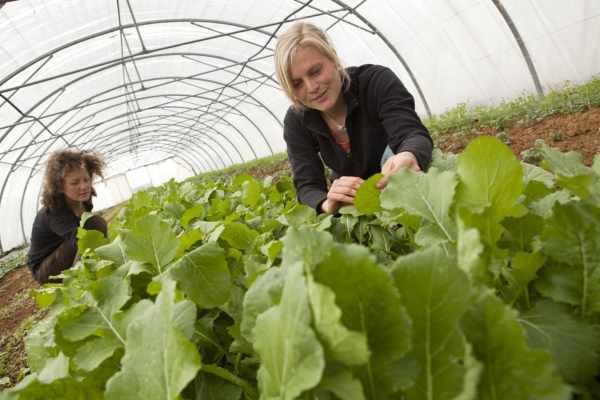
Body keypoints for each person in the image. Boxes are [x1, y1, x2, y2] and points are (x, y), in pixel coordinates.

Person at [274, 22, 433, 215]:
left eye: (315, 71)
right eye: (297, 83)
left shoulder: (375, 82)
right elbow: (307, 186)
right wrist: (328, 204)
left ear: (332, 57)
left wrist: (408, 155)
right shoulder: (297, 120)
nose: (311, 87)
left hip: (397, 185)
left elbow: (411, 133)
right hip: (353, 205)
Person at [26, 149, 108, 285]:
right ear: (59, 187)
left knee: (94, 224)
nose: (84, 186)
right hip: (46, 270)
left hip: (66, 254)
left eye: (86, 179)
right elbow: (80, 242)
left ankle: (82, 274)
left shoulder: (84, 200)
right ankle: (79, 282)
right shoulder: (54, 212)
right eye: (75, 183)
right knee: (94, 225)